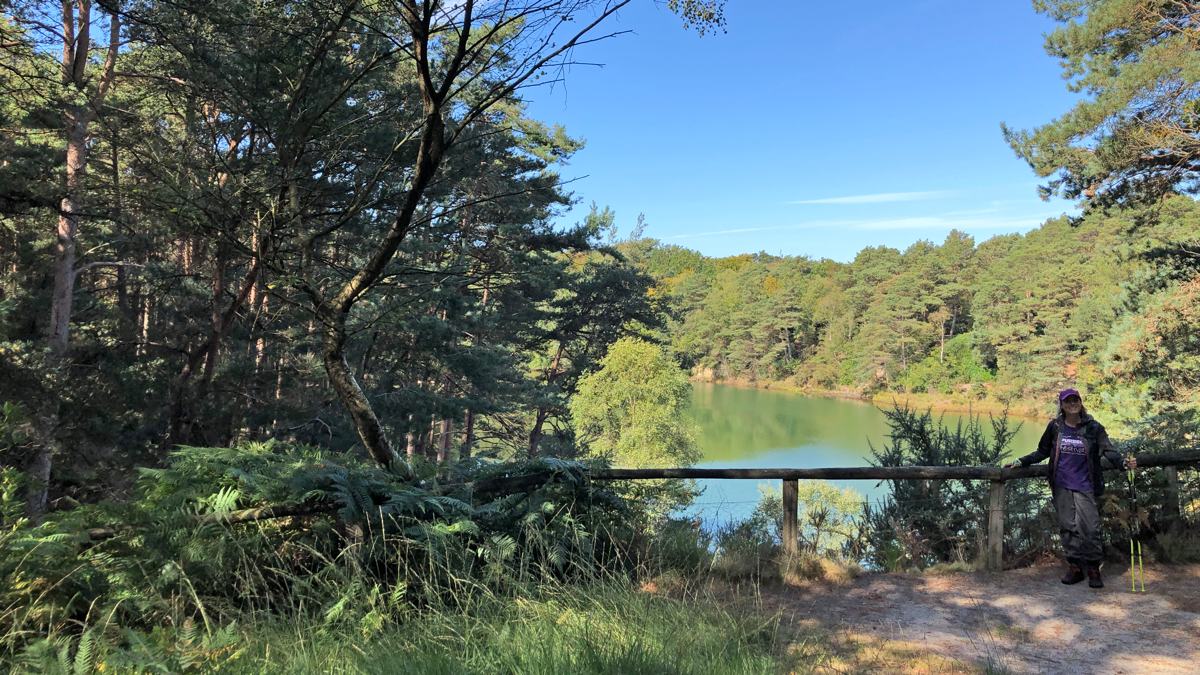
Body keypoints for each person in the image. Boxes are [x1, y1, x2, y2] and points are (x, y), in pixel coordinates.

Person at [1004, 388, 1135, 588]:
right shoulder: (1056, 427)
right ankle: (1075, 567)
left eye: (1075, 400)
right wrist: (1021, 461)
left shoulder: (1093, 428)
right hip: (1062, 485)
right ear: (1062, 405)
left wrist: (1123, 463)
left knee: (1091, 528)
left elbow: (1109, 451)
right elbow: (1042, 451)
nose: (1072, 404)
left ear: (1081, 403)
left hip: (1086, 485)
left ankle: (1093, 568)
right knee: (1067, 527)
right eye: (1068, 401)